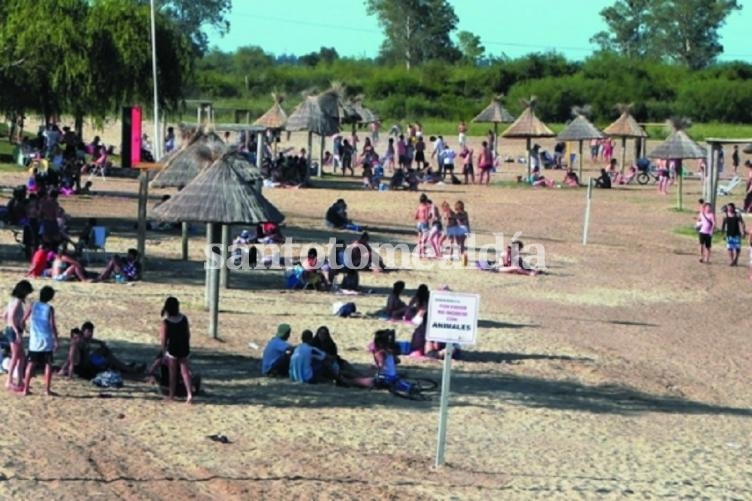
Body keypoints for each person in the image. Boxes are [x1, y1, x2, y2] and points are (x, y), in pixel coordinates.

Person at [58, 321, 145, 379]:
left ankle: (125, 366)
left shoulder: (84, 340)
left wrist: (100, 343)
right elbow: (70, 360)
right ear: (83, 332)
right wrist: (65, 371)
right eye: (89, 332)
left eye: (91, 332)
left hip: (90, 363)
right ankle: (129, 369)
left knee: (105, 353)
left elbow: (92, 341)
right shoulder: (76, 344)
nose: (91, 334)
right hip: (86, 369)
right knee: (108, 363)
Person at [20, 286, 59, 396]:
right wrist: (56, 339)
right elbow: (52, 326)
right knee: (48, 364)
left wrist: (25, 329)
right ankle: (47, 389)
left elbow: (23, 319)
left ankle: (26, 389)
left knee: (31, 364)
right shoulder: (49, 308)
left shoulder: (33, 305)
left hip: (35, 341)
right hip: (46, 340)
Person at [159, 297, 193, 403]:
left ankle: (171, 395)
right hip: (184, 347)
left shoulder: (166, 322)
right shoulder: (184, 318)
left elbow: (164, 339)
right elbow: (188, 334)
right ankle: (189, 394)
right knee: (185, 372)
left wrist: (164, 351)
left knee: (173, 374)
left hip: (172, 348)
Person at [4, 280, 33, 391]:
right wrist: (17, 331)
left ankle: (20, 380)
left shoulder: (12, 301)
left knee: (21, 357)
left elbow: (5, 315)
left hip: (12, 329)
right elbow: (10, 317)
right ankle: (9, 381)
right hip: (14, 331)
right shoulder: (17, 302)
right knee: (15, 357)